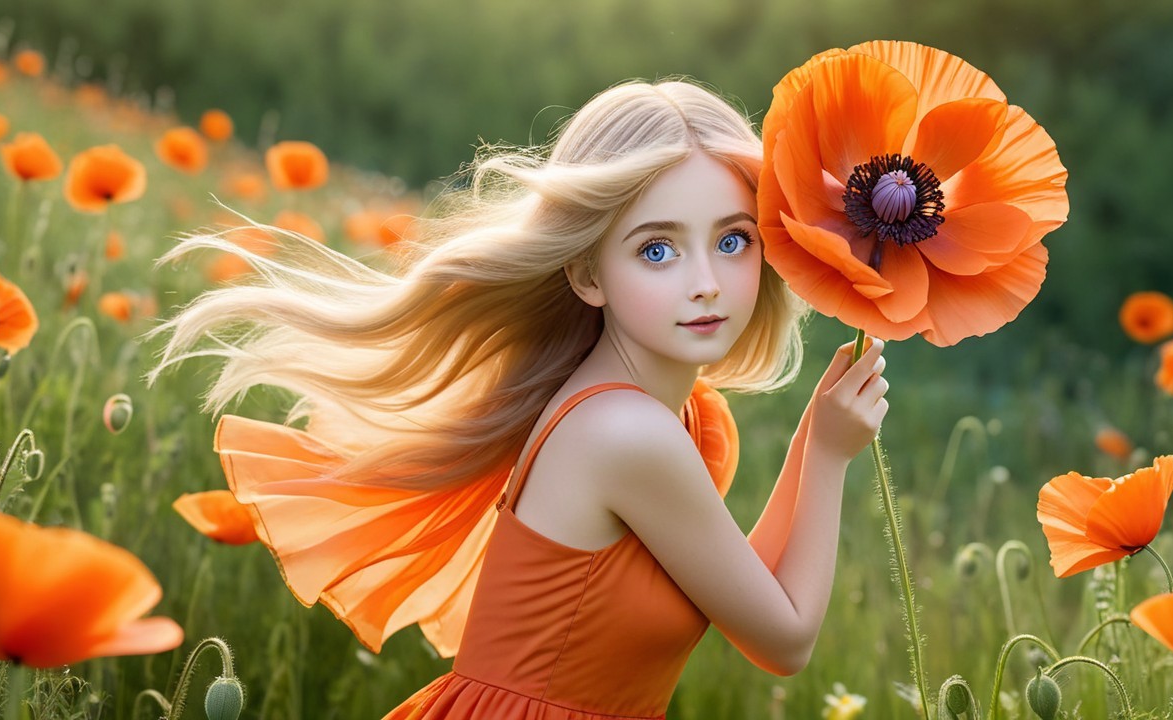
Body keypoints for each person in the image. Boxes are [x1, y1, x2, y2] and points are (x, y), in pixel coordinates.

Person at [145, 78, 888, 719]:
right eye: (657, 249)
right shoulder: (626, 433)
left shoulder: (658, 414)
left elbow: (741, 595)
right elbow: (784, 641)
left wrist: (808, 443)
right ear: (587, 274)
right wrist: (826, 455)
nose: (706, 281)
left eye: (732, 241)